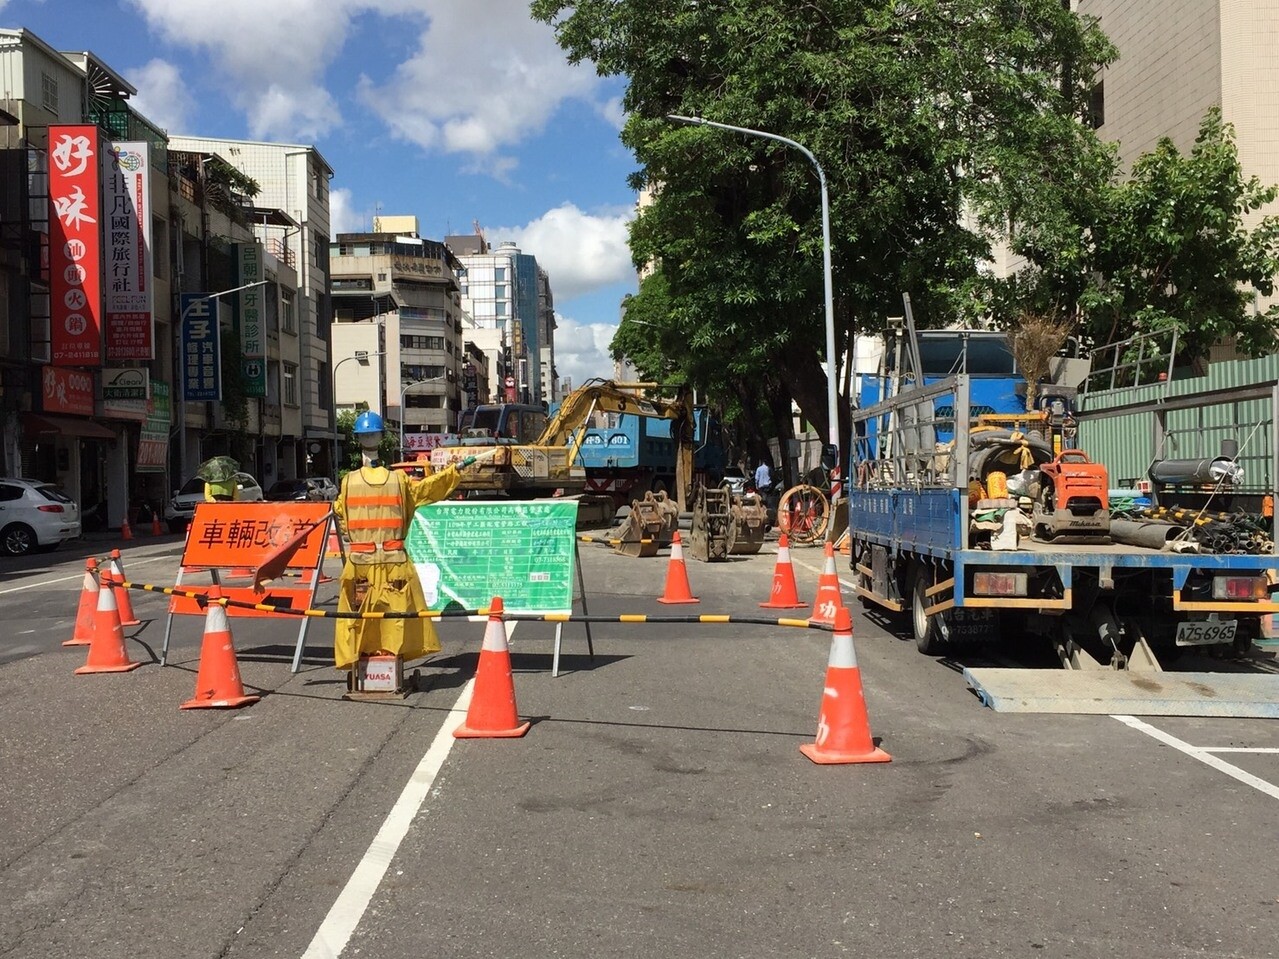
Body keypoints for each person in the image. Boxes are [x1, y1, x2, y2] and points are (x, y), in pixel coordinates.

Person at [333, 410, 483, 672]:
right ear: (382, 437)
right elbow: (428, 489)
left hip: (360, 564)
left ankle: (363, 666)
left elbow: (341, 516)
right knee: (397, 620)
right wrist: (454, 472)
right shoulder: (399, 481)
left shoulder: (348, 483)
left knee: (358, 619)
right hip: (394, 563)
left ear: (358, 439)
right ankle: (392, 668)